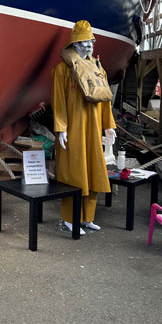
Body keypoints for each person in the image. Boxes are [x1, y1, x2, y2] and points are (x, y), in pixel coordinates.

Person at [51, 20, 116, 235]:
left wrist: (109, 127)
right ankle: (70, 218)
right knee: (74, 174)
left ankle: (88, 217)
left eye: (91, 41)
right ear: (75, 43)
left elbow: (105, 100)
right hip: (74, 131)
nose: (89, 45)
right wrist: (61, 128)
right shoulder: (62, 70)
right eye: (85, 41)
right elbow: (58, 101)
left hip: (93, 130)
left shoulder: (99, 69)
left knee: (94, 171)